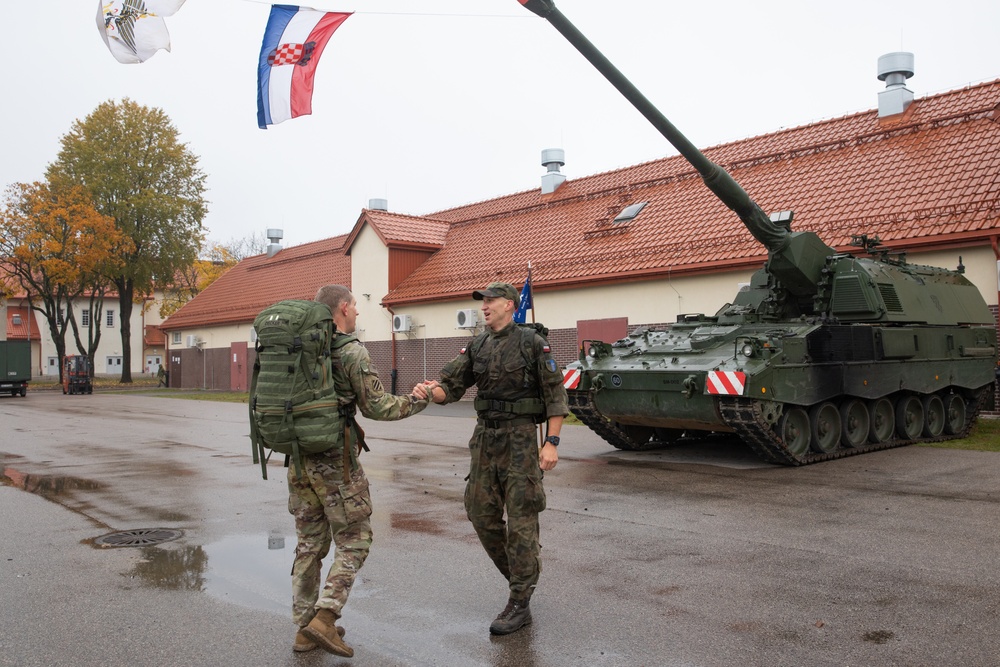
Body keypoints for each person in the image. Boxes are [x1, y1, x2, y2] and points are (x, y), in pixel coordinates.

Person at [413, 282, 568, 635]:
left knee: (521, 518)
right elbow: (450, 386)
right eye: (483, 301)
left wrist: (552, 442)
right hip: (484, 438)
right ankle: (521, 578)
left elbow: (556, 396)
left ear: (510, 305)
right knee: (480, 513)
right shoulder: (478, 344)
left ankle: (519, 601)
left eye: (491, 301)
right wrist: (429, 391)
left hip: (521, 440)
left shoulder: (531, 343)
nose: (484, 306)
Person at [293, 284, 429, 657]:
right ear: (342, 308)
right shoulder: (351, 350)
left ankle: (304, 631)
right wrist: (418, 400)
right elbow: (377, 407)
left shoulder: (298, 348)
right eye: (354, 308)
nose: (357, 314)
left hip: (300, 460)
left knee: (309, 545)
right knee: (355, 537)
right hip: (336, 462)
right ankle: (325, 617)